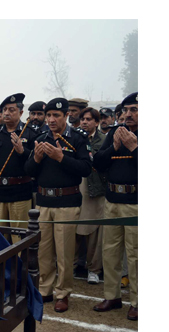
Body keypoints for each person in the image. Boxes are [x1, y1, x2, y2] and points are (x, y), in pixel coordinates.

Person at [24, 98, 92, 313]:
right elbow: (28, 170)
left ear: (66, 117)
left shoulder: (78, 138)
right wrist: (35, 158)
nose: (51, 120)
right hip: (44, 202)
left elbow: (86, 168)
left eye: (56, 116)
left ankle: (63, 292)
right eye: (49, 115)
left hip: (67, 202)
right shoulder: (41, 137)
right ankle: (45, 289)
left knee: (64, 252)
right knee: (44, 250)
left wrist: (61, 158)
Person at [92, 92, 138, 321]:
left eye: (135, 110)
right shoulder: (114, 133)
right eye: (126, 110)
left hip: (137, 204)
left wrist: (135, 148)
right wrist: (114, 147)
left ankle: (138, 301)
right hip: (112, 200)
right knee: (109, 251)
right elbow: (98, 164)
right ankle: (112, 296)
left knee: (137, 254)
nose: (128, 114)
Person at [0, 94, 39, 243]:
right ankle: (2, 267)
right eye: (4, 110)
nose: (6, 113)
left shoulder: (30, 132)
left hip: (20, 192)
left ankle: (19, 266)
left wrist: (22, 151)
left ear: (20, 112)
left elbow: (36, 163)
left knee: (19, 236)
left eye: (11, 110)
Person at [75, 107, 107, 284]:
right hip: (75, 187)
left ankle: (93, 269)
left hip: (94, 190)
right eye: (83, 119)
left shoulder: (103, 140)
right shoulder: (74, 137)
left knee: (94, 230)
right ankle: (71, 265)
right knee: (73, 227)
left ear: (96, 122)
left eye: (89, 119)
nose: (85, 122)